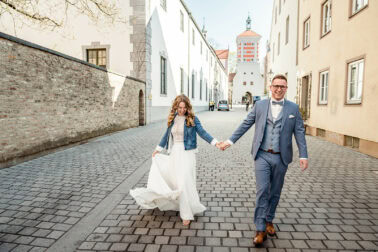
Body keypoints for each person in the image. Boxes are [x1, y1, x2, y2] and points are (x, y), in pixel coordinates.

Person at [219, 74, 308, 246]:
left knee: (275, 191)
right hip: (262, 155)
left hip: (281, 157)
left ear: (286, 88)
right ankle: (260, 229)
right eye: (276, 86)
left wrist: (303, 155)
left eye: (282, 86)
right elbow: (246, 124)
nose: (278, 89)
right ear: (270, 87)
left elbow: (299, 132)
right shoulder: (259, 105)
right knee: (262, 191)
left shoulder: (293, 108)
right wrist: (230, 141)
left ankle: (269, 220)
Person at [130, 94, 220, 226]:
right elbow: (166, 135)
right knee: (177, 182)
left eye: (184, 108)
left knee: (184, 181)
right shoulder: (173, 119)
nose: (182, 110)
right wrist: (158, 149)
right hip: (175, 153)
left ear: (188, 107)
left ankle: (186, 213)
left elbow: (203, 133)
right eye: (180, 107)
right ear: (176, 107)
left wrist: (216, 143)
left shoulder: (193, 119)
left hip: (187, 153)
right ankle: (181, 204)